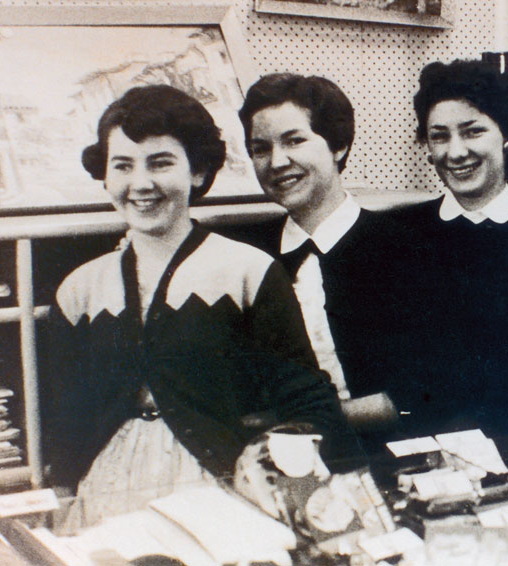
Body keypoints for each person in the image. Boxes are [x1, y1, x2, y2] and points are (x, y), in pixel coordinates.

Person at [38, 85, 360, 529]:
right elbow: (66, 420)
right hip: (107, 497)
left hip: (225, 497)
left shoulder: (248, 272)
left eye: (161, 163)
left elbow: (308, 403)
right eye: (123, 166)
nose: (141, 184)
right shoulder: (78, 290)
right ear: (106, 177)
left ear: (198, 171)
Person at [390, 59, 508, 438]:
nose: (455, 152)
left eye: (472, 131)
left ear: (507, 136)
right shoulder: (397, 241)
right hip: (428, 453)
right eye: (439, 136)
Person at [232, 73, 424, 439]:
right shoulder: (245, 257)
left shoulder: (407, 250)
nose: (276, 162)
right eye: (260, 148)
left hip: (384, 457)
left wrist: (298, 424)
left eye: (294, 141)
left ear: (338, 145)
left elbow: (419, 397)